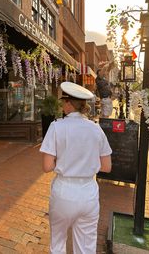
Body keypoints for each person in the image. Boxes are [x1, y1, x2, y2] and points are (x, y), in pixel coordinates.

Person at [40, 81, 112, 254]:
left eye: (63, 101)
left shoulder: (56, 127)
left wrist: (65, 162)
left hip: (64, 192)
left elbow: (47, 166)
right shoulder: (96, 129)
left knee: (58, 243)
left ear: (69, 104)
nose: (62, 105)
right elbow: (107, 167)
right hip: (88, 193)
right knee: (86, 247)